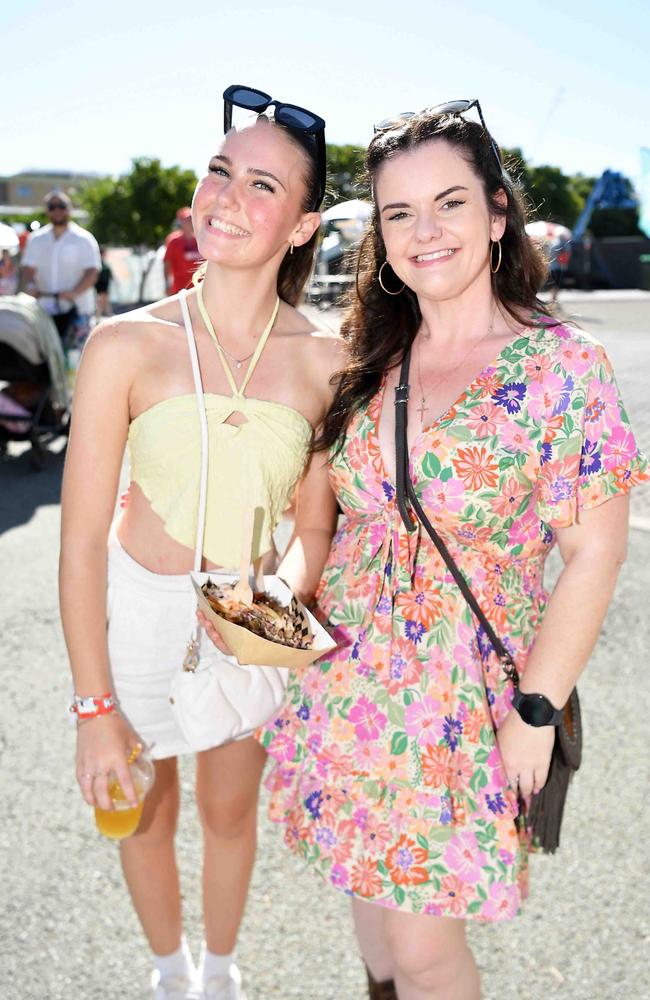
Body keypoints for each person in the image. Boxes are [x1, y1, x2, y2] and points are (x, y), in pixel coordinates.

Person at [252, 103, 649, 999]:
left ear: (498, 213)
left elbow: (596, 554)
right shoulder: (369, 354)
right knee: (377, 930)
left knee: (427, 950)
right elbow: (329, 522)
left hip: (463, 710)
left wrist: (536, 712)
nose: (423, 232)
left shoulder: (560, 366)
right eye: (398, 214)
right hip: (347, 689)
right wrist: (267, 611)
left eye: (449, 203)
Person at [60, 86, 339, 1000]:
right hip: (136, 616)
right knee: (138, 813)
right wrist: (92, 710)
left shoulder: (328, 362)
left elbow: (313, 524)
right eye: (221, 169)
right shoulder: (122, 345)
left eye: (264, 184)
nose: (227, 195)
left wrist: (278, 606)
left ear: (302, 227)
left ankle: (220, 974)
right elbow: (81, 546)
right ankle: (170, 975)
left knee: (227, 813)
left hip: (250, 618)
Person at [21, 191, 100, 343]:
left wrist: (74, 292)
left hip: (78, 310)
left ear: (69, 209)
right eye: (52, 206)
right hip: (43, 310)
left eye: (61, 206)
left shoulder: (84, 239)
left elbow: (92, 271)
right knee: (45, 360)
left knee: (76, 359)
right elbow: (28, 268)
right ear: (47, 210)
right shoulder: (36, 239)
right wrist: (31, 286)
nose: (57, 210)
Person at [164, 206, 203, 294]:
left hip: (198, 288)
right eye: (187, 219)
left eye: (191, 218)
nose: (190, 221)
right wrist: (167, 284)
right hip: (180, 289)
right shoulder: (173, 241)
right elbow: (167, 264)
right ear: (181, 222)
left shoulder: (201, 239)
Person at [95, 246, 114, 317]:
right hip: (101, 284)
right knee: (101, 301)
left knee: (105, 301)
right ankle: (99, 316)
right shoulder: (98, 264)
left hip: (105, 284)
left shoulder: (104, 263)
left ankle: (107, 315)